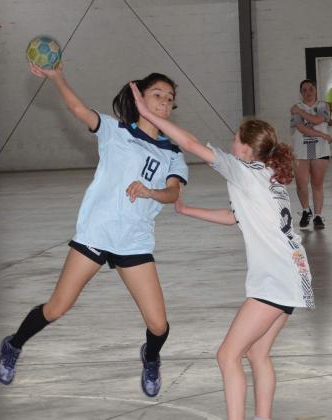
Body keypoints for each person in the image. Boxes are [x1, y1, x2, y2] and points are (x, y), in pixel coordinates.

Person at [0, 64, 188, 399]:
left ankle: (151, 356)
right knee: (56, 308)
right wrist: (57, 78)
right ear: (140, 97)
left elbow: (173, 193)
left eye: (169, 99)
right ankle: (13, 345)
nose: (164, 102)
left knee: (158, 325)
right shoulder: (116, 131)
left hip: (134, 242)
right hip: (96, 235)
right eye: (157, 94)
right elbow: (79, 109)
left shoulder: (172, 151)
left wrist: (151, 192)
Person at [131, 83, 314, 420]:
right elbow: (236, 217)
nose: (231, 144)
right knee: (257, 354)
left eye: (235, 139)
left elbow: (189, 144)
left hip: (275, 278)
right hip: (294, 273)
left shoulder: (243, 171)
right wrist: (189, 211)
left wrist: (145, 113)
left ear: (245, 149)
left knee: (227, 355)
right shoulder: (269, 174)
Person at [291, 79, 332, 229]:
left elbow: (317, 119)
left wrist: (301, 113)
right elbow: (301, 128)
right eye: (304, 90)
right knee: (301, 184)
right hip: (301, 150)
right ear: (301, 92)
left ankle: (318, 216)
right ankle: (305, 210)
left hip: (320, 150)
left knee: (317, 184)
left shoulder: (323, 106)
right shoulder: (295, 107)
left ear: (315, 90)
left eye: (311, 89)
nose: (308, 92)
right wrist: (322, 135)